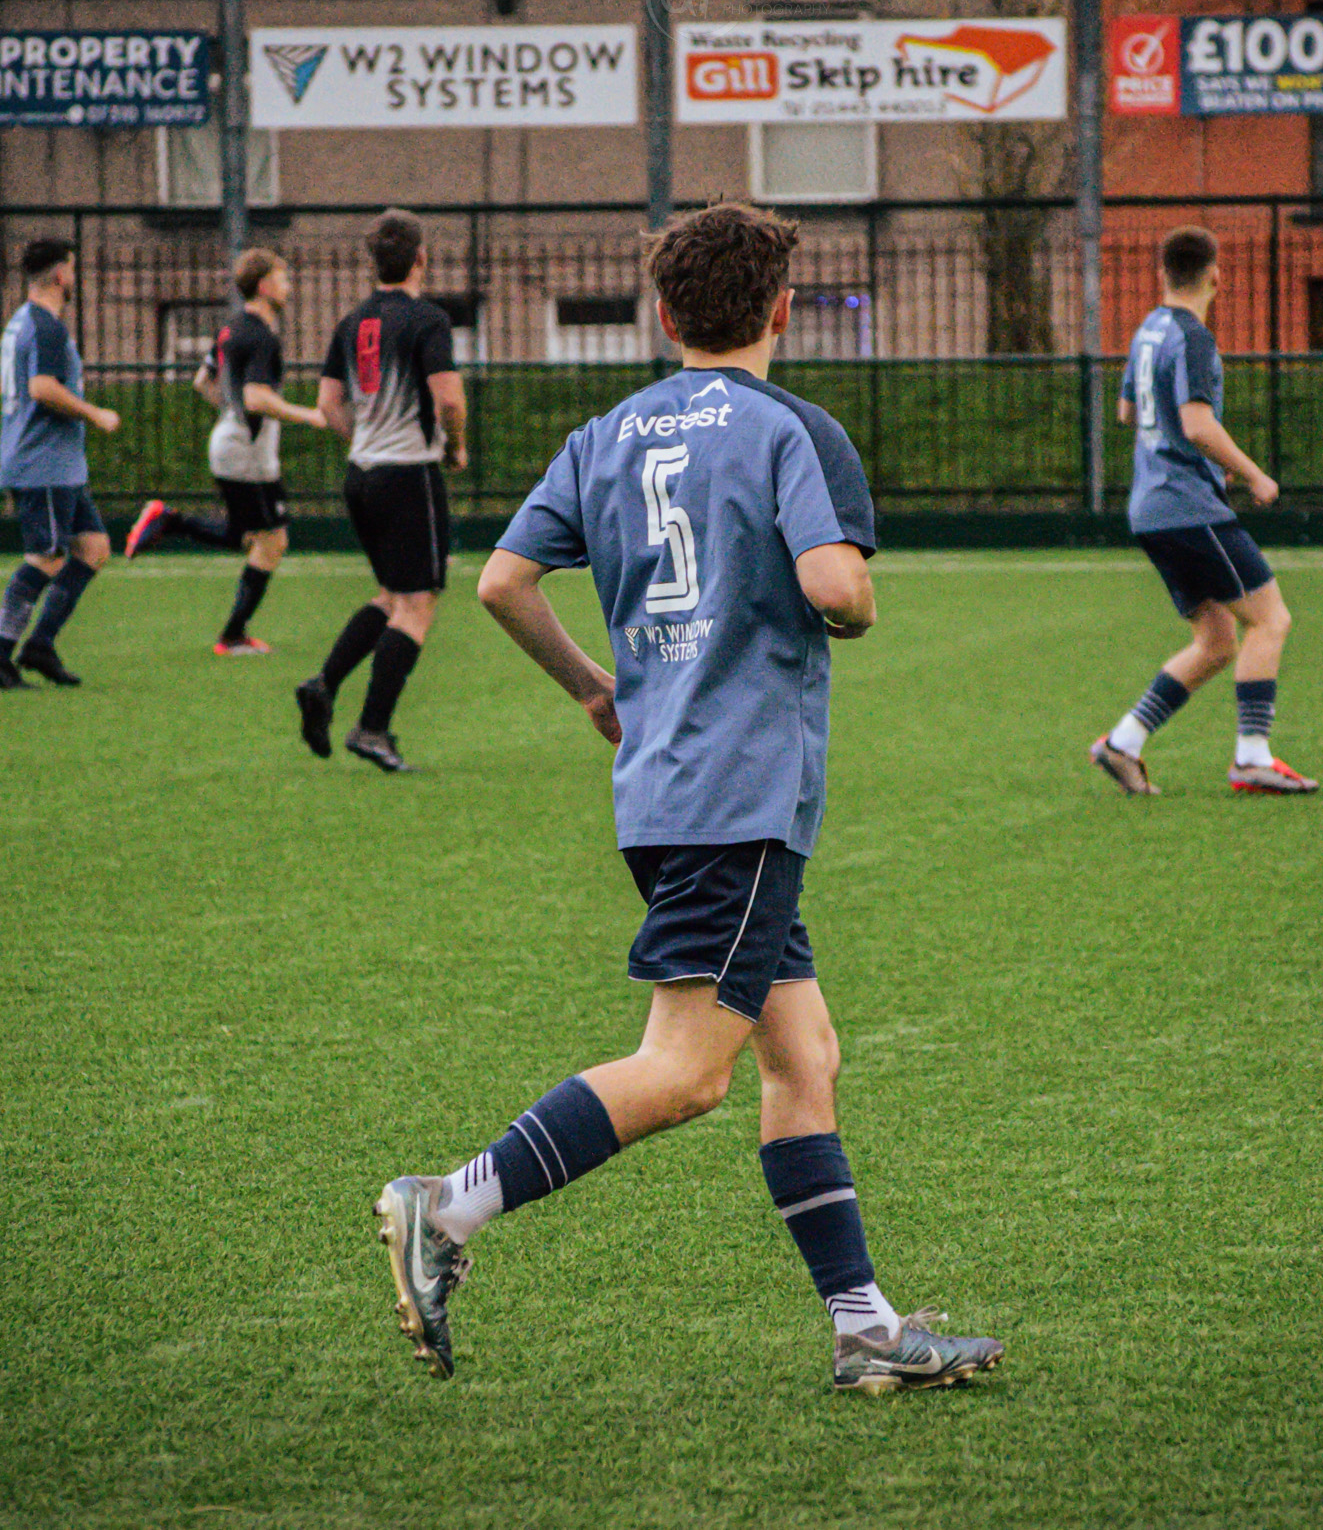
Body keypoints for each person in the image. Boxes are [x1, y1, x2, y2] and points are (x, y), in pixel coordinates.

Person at [375, 203, 1003, 1393]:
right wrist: (851, 597)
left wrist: (593, 686)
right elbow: (840, 590)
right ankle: (445, 1205)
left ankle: (865, 1328)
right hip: (742, 796)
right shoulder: (791, 428)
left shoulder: (603, 433)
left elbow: (504, 582)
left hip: (660, 791)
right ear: (782, 310)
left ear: (664, 314)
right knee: (685, 1071)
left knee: (803, 1054)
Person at [1089, 225, 1318, 798]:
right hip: (1187, 506)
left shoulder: (1148, 330)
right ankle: (1252, 759)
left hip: (1149, 507)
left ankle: (1122, 742)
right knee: (1270, 619)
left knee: (1216, 642)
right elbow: (1196, 425)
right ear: (1217, 275)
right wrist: (1254, 473)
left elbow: (1126, 412)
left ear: (1161, 274)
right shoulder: (1192, 337)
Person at [294, 210, 467, 772]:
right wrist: (455, 447)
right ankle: (372, 729)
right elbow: (450, 400)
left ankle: (323, 685)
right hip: (408, 474)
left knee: (392, 596)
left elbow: (328, 404)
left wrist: (362, 441)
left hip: (362, 475)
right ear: (421, 258)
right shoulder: (427, 319)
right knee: (417, 605)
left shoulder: (352, 322)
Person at [122, 247, 328, 653]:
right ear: (264, 286)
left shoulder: (231, 329)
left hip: (233, 444)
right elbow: (255, 398)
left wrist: (231, 413)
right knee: (271, 541)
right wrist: (309, 415)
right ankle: (232, 635)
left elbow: (203, 381)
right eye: (283, 279)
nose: (288, 286)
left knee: (247, 536)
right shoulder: (262, 336)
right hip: (247, 453)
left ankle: (170, 522)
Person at [0, 239, 121, 690]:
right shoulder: (46, 326)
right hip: (43, 465)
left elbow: (4, 384)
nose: (75, 278)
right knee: (47, 559)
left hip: (59, 465)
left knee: (93, 548)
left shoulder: (20, 322)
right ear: (61, 275)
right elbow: (40, 388)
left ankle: (40, 645)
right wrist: (94, 413)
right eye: (73, 270)